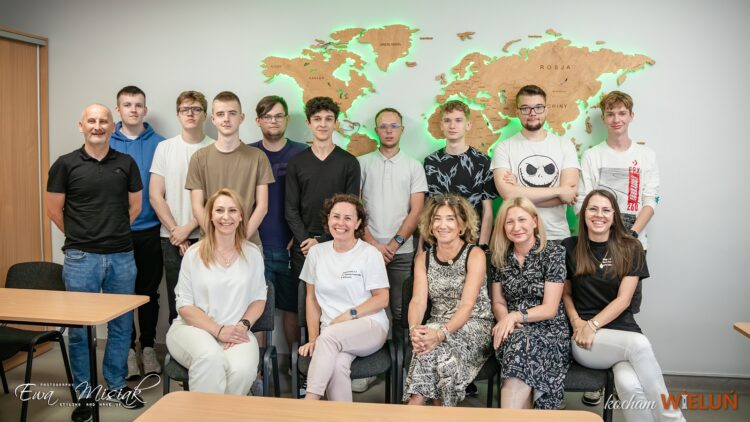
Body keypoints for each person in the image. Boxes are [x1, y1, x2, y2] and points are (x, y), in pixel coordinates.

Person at [46, 104, 144, 420]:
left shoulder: (126, 163)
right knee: (79, 330)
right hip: (80, 258)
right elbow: (53, 210)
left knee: (122, 325)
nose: (98, 126)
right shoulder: (65, 164)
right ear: (81, 126)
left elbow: (135, 207)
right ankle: (85, 394)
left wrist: (112, 232)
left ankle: (116, 385)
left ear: (112, 126)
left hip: (122, 256)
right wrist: (82, 236)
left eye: (103, 121)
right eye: (92, 121)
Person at [562, 189, 685, 422]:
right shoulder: (569, 246)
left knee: (629, 385)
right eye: (593, 209)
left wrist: (594, 324)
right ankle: (673, 419)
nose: (599, 215)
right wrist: (579, 323)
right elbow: (566, 294)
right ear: (584, 214)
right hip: (586, 340)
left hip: (621, 333)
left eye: (606, 210)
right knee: (639, 344)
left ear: (614, 216)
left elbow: (624, 300)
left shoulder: (631, 247)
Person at [166, 188, 267, 395]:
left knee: (242, 370)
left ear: (241, 217)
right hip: (192, 329)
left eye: (232, 210)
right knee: (210, 357)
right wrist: (218, 330)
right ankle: (206, 411)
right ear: (210, 217)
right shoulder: (193, 254)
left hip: (236, 331)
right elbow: (184, 306)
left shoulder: (253, 254)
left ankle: (225, 411)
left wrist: (243, 326)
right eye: (219, 210)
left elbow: (259, 299)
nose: (226, 217)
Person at [297, 194, 389, 402]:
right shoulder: (316, 253)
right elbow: (311, 299)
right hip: (331, 333)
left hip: (369, 326)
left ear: (358, 223)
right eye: (336, 216)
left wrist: (350, 314)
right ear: (328, 219)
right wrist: (313, 338)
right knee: (337, 365)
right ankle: (342, 415)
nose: (341, 223)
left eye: (348, 218)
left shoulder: (370, 254)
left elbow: (382, 298)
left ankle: (309, 403)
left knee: (329, 337)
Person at [285, 96, 360, 349]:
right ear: (309, 123)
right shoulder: (297, 162)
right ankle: (308, 354)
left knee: (336, 302)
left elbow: (351, 210)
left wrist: (323, 240)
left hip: (340, 245)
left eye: (329, 119)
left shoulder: (349, 163)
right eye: (317, 119)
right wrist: (308, 241)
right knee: (305, 304)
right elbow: (290, 209)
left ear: (336, 123)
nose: (323, 124)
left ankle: (338, 352)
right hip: (304, 246)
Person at [404, 194, 493, 406]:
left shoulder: (475, 254)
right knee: (431, 349)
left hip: (474, 325)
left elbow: (467, 306)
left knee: (433, 349)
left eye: (450, 219)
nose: (442, 225)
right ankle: (439, 411)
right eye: (437, 219)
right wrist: (415, 329)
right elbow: (418, 301)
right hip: (435, 325)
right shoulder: (423, 259)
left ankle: (414, 407)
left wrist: (440, 334)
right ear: (430, 225)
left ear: (461, 226)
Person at [577, 90, 659, 315]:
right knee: (593, 305)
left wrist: (631, 235)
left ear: (631, 116)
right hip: (597, 242)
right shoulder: (592, 156)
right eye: (610, 114)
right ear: (604, 118)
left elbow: (651, 201)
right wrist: (601, 235)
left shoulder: (646, 155)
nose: (616, 119)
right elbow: (583, 200)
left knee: (627, 309)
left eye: (622, 113)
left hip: (633, 241)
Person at [489, 197, 570, 409]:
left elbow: (550, 308)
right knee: (519, 342)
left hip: (549, 331)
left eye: (522, 219)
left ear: (535, 221)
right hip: (512, 330)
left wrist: (516, 315)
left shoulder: (554, 253)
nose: (516, 227)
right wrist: (507, 321)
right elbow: (498, 301)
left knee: (522, 348)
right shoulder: (499, 257)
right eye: (509, 222)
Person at [109, 85, 166, 379]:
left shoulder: (161, 144)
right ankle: (128, 351)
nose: (133, 109)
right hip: (117, 233)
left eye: (138, 105)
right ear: (118, 110)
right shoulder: (107, 143)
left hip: (151, 230)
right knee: (122, 295)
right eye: (127, 105)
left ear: (145, 109)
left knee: (147, 294)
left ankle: (148, 348)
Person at [150, 90, 215, 325]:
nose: (190, 114)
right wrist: (177, 232)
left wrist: (188, 228)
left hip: (207, 236)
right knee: (178, 302)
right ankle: (177, 347)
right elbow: (155, 195)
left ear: (205, 115)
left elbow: (216, 199)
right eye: (185, 109)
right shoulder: (165, 148)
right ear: (177, 114)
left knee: (208, 302)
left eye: (196, 109)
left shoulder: (215, 148)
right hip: (171, 237)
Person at [359, 107, 427, 330]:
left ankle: (401, 351)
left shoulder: (414, 166)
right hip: (366, 249)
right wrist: (373, 244)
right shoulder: (361, 164)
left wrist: (393, 245)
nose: (389, 131)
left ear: (402, 130)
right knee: (365, 305)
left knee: (400, 309)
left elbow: (417, 210)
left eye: (394, 126)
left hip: (402, 251)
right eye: (383, 126)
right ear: (376, 130)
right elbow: (355, 209)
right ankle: (370, 348)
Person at [249, 95, 307, 353]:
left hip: (291, 247)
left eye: (278, 116)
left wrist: (300, 234)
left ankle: (294, 367)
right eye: (267, 116)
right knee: (256, 308)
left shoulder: (302, 153)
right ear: (258, 121)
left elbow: (309, 200)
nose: (273, 121)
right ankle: (258, 367)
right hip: (255, 245)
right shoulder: (248, 154)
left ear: (287, 119)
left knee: (293, 308)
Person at [492, 84, 579, 244]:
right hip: (517, 236)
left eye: (538, 107)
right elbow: (508, 194)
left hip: (557, 236)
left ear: (546, 110)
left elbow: (569, 196)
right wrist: (559, 191)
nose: (532, 113)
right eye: (525, 108)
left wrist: (519, 191)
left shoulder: (565, 145)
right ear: (517, 112)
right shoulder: (504, 147)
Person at [186, 91, 274, 248]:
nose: (226, 119)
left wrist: (239, 240)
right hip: (210, 244)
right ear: (213, 119)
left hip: (248, 243)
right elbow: (197, 207)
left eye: (232, 113)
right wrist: (217, 240)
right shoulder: (198, 158)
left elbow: (262, 207)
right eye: (220, 114)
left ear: (241, 118)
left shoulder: (258, 157)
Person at [423, 100, 495, 247]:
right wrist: (421, 248)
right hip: (437, 244)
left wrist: (482, 247)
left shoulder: (483, 162)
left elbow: (487, 211)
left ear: (468, 125)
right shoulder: (430, 162)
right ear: (441, 125)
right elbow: (426, 210)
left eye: (458, 120)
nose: (452, 126)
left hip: (472, 244)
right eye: (447, 121)